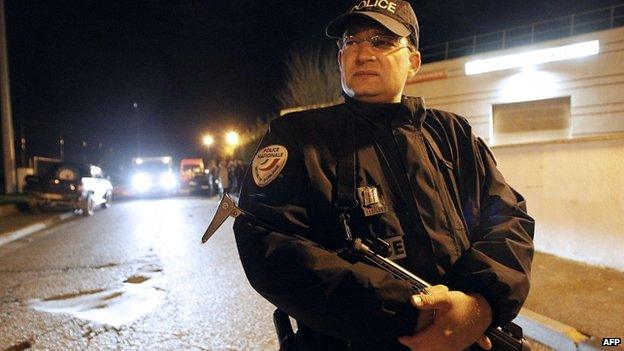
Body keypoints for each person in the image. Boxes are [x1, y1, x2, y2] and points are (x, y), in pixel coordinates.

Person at [233, 1, 534, 350]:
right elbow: (270, 246)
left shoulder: (453, 133)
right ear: (339, 58)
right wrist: (416, 313)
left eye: (382, 41)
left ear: (413, 62)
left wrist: (480, 304)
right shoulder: (297, 137)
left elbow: (508, 218)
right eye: (351, 41)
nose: (362, 53)